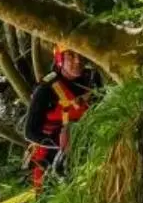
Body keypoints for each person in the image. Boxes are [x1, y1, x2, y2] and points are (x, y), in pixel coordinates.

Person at [24, 45, 101, 191]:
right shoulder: (46, 88)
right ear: (59, 58)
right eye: (70, 56)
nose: (78, 61)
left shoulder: (92, 78)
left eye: (80, 54)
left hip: (87, 142)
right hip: (51, 153)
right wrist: (62, 144)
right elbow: (30, 132)